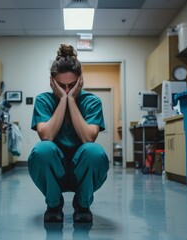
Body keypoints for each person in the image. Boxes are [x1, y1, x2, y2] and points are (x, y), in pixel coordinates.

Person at [28, 44, 109, 224]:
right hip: (55, 171)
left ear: (81, 80)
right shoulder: (43, 100)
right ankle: (54, 204)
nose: (66, 90)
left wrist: (71, 100)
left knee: (94, 151)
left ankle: (82, 204)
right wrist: (63, 100)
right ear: (52, 82)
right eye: (61, 86)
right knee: (43, 149)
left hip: (81, 171)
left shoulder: (92, 102)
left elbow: (89, 138)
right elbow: (46, 136)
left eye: (71, 85)